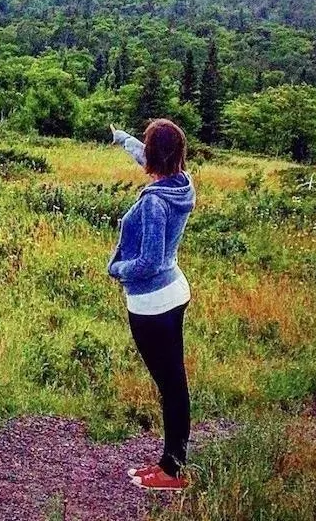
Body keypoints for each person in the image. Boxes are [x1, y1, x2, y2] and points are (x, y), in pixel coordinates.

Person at [107, 119, 195, 491]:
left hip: (153, 303)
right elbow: (149, 158)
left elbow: (149, 263)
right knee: (173, 383)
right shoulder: (181, 183)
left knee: (171, 385)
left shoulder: (156, 203)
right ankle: (169, 462)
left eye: (145, 145)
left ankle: (172, 471)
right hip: (173, 293)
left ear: (155, 155)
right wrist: (122, 139)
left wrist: (116, 269)